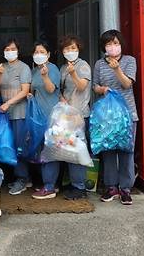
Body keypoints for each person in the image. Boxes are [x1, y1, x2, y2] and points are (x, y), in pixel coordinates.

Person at [93, 29, 138, 206]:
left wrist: (117, 69)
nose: (113, 47)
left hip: (127, 114)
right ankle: (111, 187)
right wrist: (102, 89)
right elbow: (95, 86)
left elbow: (127, 84)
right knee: (109, 150)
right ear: (104, 47)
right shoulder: (99, 64)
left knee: (127, 150)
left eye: (116, 43)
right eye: (109, 44)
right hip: (107, 116)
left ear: (121, 45)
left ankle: (126, 189)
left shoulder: (129, 61)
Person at [0, 38, 32, 196]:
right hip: (4, 115)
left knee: (20, 146)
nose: (10, 52)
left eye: (13, 49)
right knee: (7, 145)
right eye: (7, 49)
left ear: (18, 50)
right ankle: (14, 177)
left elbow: (25, 91)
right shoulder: (2, 67)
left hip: (19, 112)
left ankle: (23, 178)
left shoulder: (24, 68)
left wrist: (9, 103)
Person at [58, 34, 92, 200]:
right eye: (66, 49)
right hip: (66, 116)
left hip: (79, 116)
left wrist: (73, 74)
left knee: (77, 150)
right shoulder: (63, 68)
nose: (70, 51)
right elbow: (61, 89)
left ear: (79, 49)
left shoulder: (83, 66)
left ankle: (80, 187)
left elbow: (82, 86)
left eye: (73, 48)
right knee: (68, 150)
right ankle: (72, 184)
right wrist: (62, 98)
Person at [27, 41, 62, 200]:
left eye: (42, 52)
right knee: (42, 150)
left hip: (51, 115)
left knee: (50, 151)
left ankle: (49, 186)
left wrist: (45, 76)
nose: (38, 55)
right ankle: (49, 183)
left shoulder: (52, 69)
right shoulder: (34, 70)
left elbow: (51, 89)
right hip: (38, 117)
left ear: (48, 54)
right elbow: (35, 90)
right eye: (36, 52)